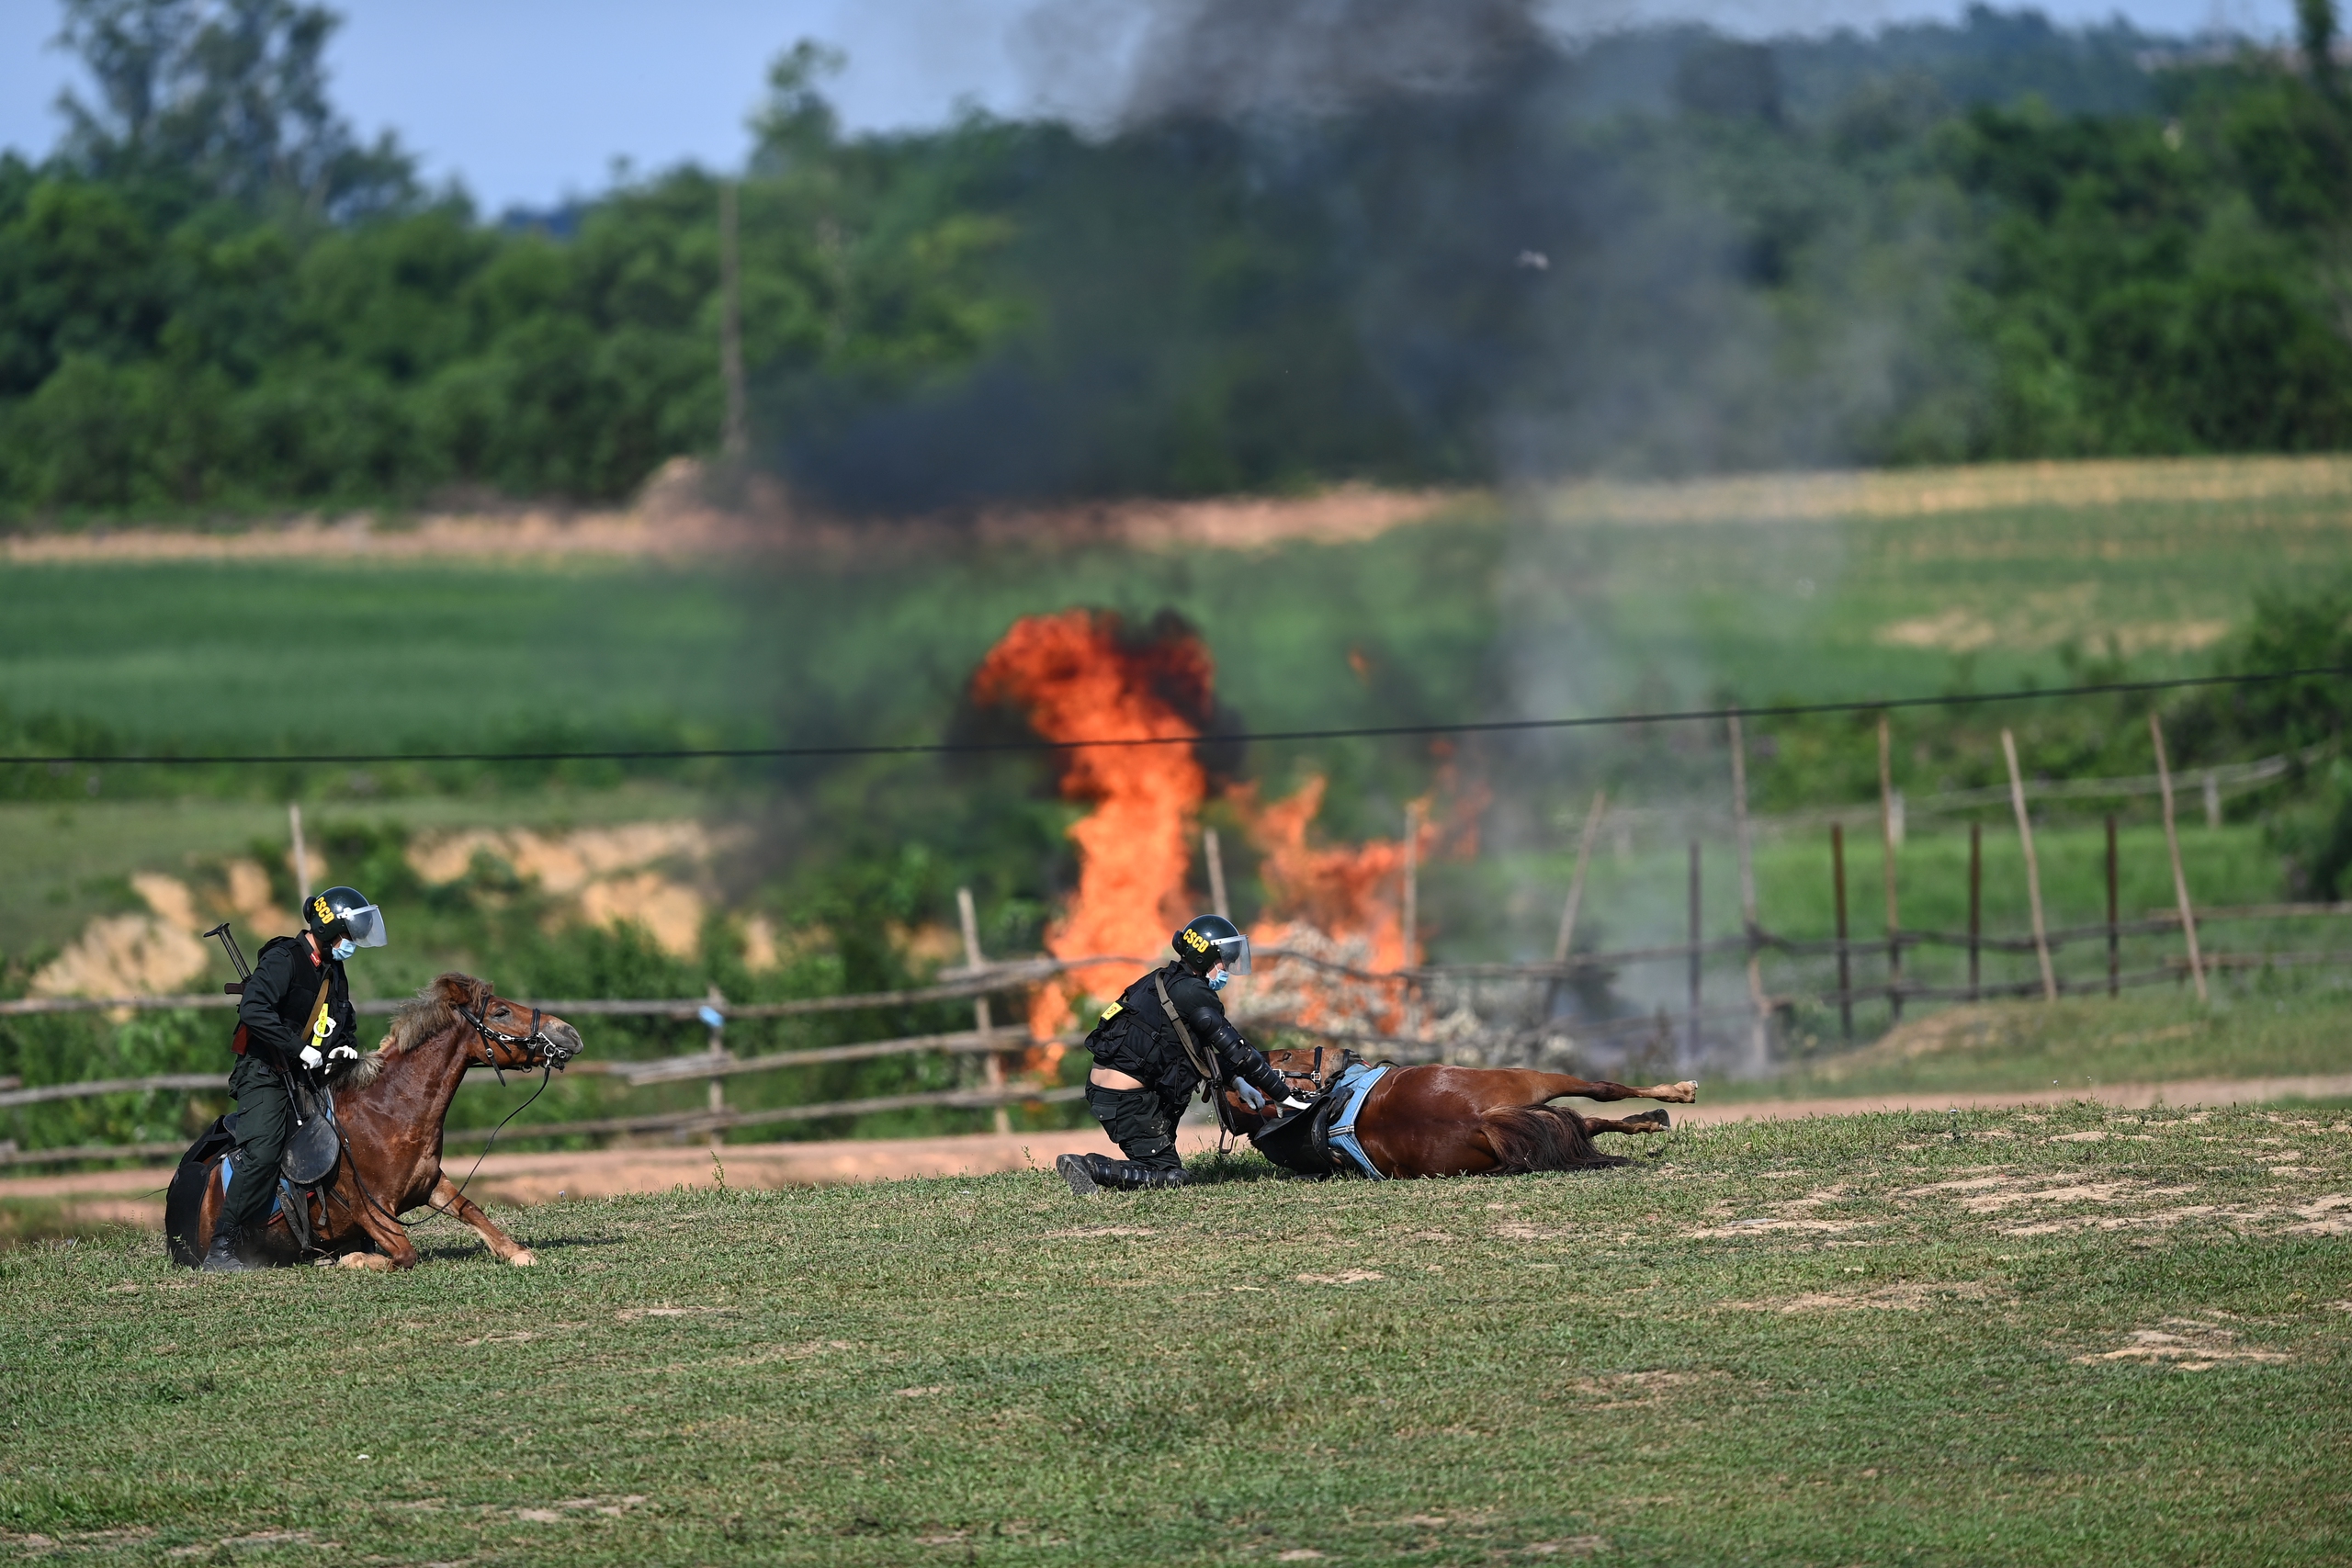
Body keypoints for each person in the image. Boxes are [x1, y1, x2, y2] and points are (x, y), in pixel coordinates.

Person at [201, 886, 386, 1271]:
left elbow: (343, 1021)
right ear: (327, 929)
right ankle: (222, 1246)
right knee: (264, 1151)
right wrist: (297, 1048)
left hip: (309, 1075)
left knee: (347, 1138)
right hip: (265, 1073)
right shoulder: (284, 959)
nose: (351, 944)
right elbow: (254, 1009)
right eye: (348, 935)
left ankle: (343, 1233)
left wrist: (343, 1048)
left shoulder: (333, 970)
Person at [1057, 914, 1307, 1194]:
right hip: (1126, 1099)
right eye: (1224, 960)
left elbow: (1196, 1052)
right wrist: (1284, 1096)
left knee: (1158, 1163)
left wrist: (1237, 1081)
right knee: (1170, 1175)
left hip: (1111, 1091)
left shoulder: (1163, 980)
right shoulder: (1193, 994)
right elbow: (1239, 1050)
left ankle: (1105, 1166)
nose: (1227, 967)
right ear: (1204, 957)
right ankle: (1087, 1166)